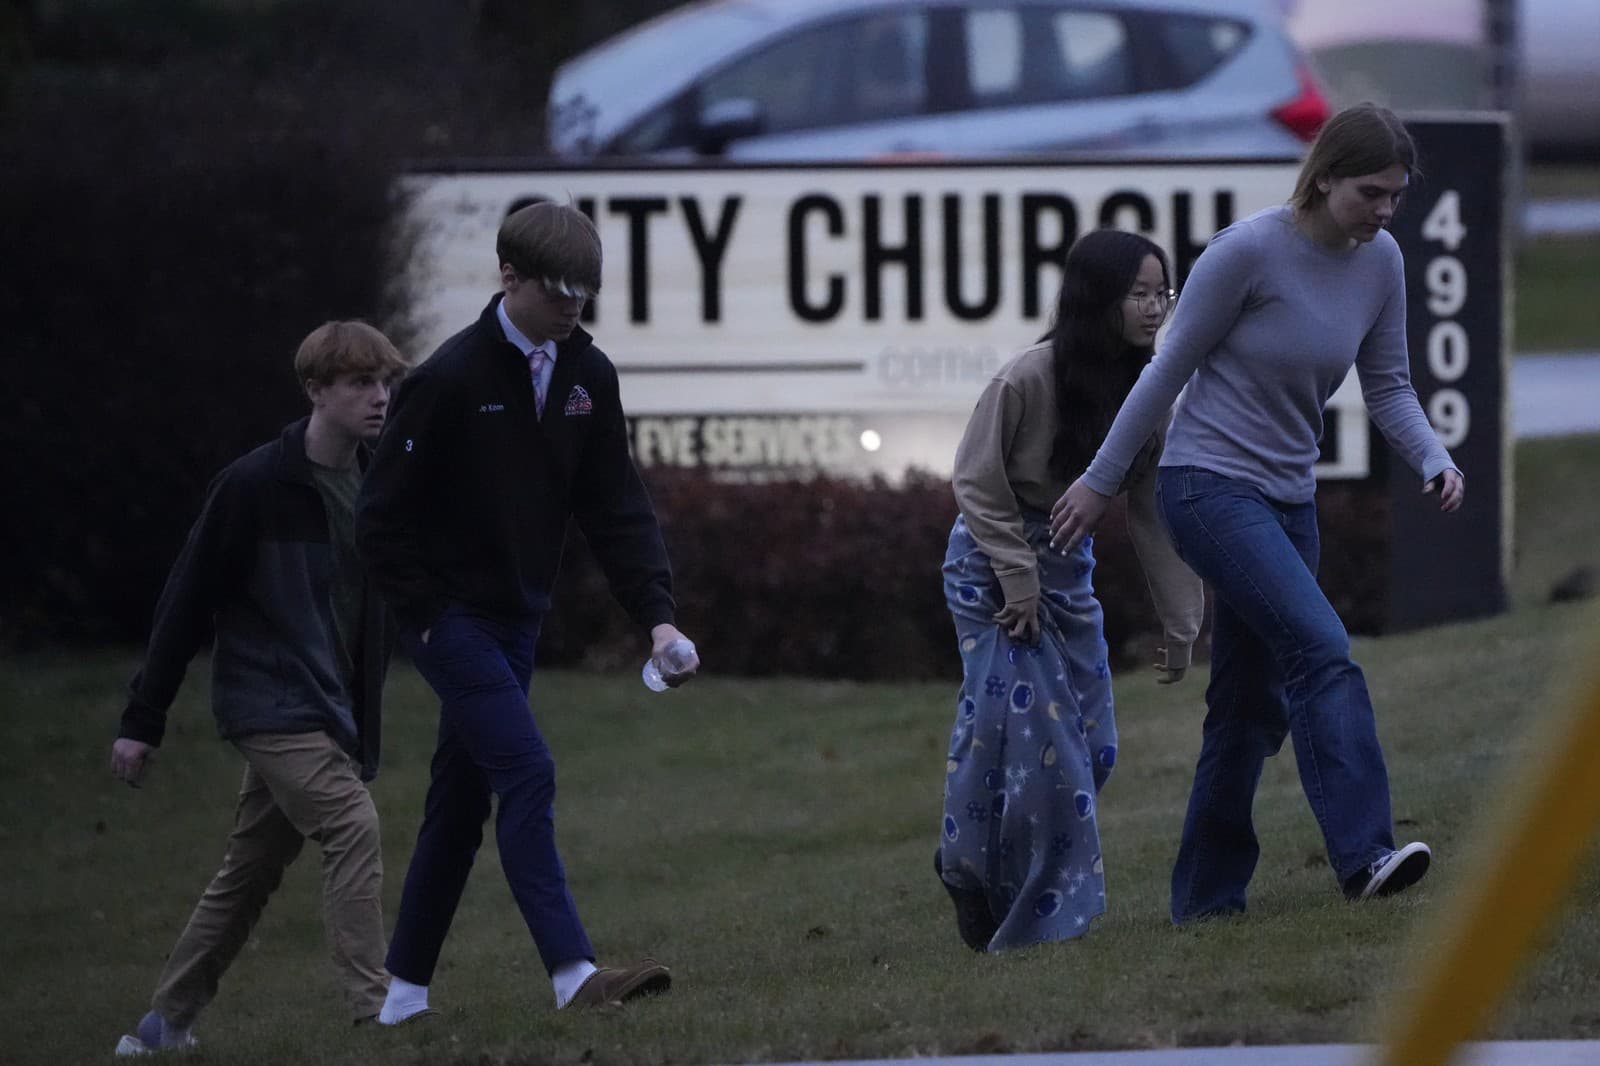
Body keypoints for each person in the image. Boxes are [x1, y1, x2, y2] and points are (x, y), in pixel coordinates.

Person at [1049, 104, 1465, 924]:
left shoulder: (1381, 262)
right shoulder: (1246, 253)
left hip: (1288, 499)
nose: (1385, 211)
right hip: (1206, 487)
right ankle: (1367, 856)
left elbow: (1388, 386)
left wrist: (1433, 456)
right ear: (1324, 178)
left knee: (1248, 707)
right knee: (1321, 648)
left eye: (1397, 197)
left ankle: (1205, 901)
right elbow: (1166, 372)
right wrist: (1100, 480)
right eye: (1371, 192)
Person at [355, 201, 698, 1021]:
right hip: (452, 621)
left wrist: (657, 616)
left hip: (518, 617)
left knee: (461, 797)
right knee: (528, 772)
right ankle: (575, 977)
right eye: (559, 290)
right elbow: (377, 519)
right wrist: (429, 615)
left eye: (587, 291)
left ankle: (400, 999)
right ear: (509, 277)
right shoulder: (446, 379)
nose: (574, 306)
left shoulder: (589, 374)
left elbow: (616, 508)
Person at [110, 321, 410, 1054]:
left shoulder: (377, 483)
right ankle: (377, 1014)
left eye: (384, 383)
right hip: (269, 702)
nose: (378, 399)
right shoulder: (253, 487)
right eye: (359, 384)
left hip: (332, 705)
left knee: (249, 872)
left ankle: (161, 1028)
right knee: (351, 824)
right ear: (315, 391)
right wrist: (142, 718)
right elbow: (185, 601)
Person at [936, 229, 1204, 952]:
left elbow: (1149, 513)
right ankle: (1035, 918)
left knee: (1093, 747)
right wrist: (1016, 579)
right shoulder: (1027, 377)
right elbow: (974, 480)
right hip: (990, 571)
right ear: (1097, 299)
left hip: (1066, 574)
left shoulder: (1148, 393)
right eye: (1140, 294)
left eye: (1163, 293)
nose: (1155, 309)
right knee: (1042, 748)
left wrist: (1181, 623)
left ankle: (967, 865)